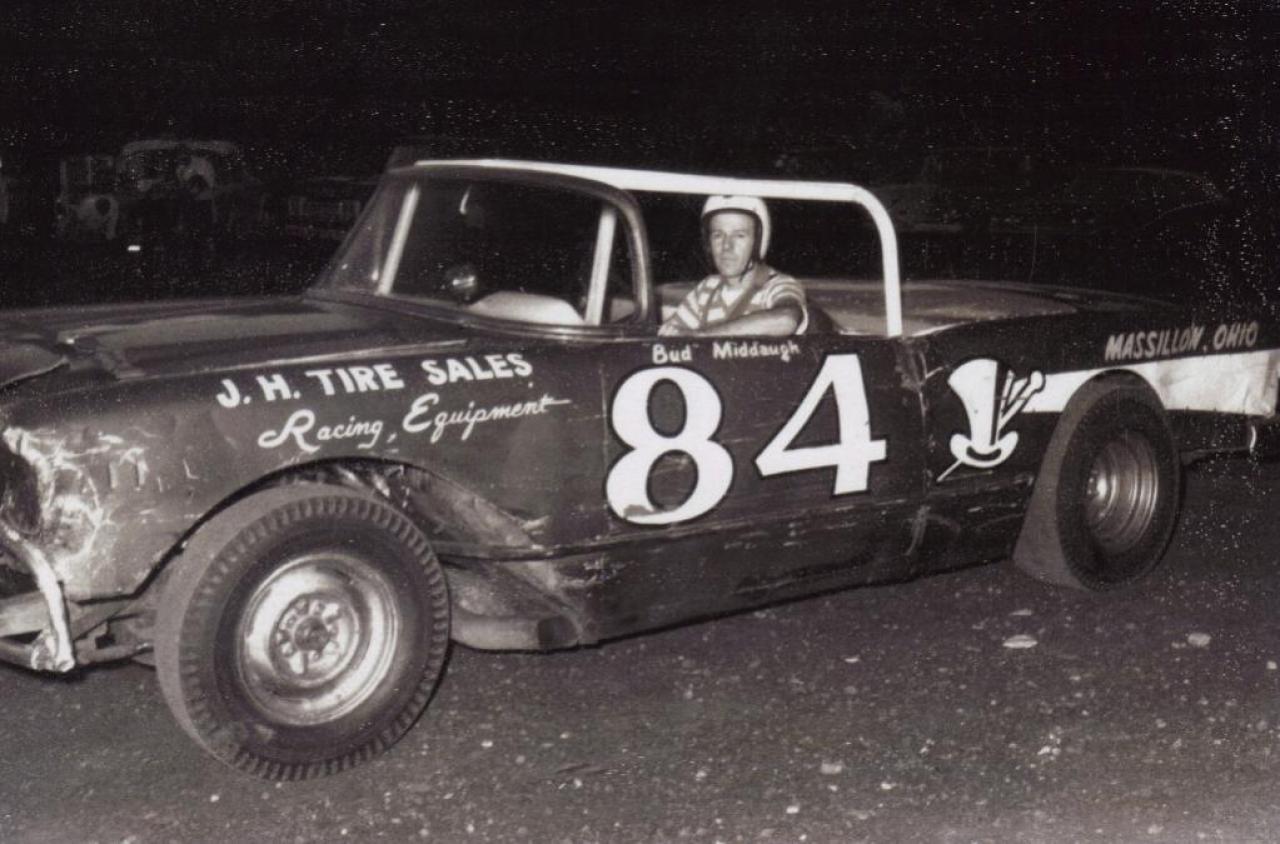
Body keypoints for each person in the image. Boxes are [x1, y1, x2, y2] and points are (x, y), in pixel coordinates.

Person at [659, 195, 807, 337]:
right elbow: (671, 334)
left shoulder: (778, 285)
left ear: (757, 242)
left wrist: (701, 335)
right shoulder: (706, 289)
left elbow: (786, 319)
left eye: (739, 235)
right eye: (718, 235)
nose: (726, 246)